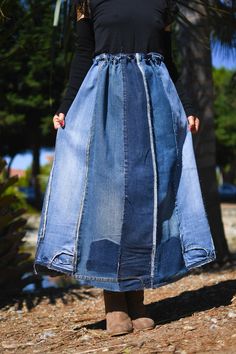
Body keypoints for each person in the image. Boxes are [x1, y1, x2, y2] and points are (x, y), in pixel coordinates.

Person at [34, 0, 216, 336]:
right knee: (108, 199)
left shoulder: (161, 3)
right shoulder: (89, 1)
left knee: (146, 201)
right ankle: (115, 304)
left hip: (153, 103)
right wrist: (66, 105)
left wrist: (187, 105)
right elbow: (83, 55)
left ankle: (138, 300)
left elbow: (169, 60)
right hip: (105, 102)